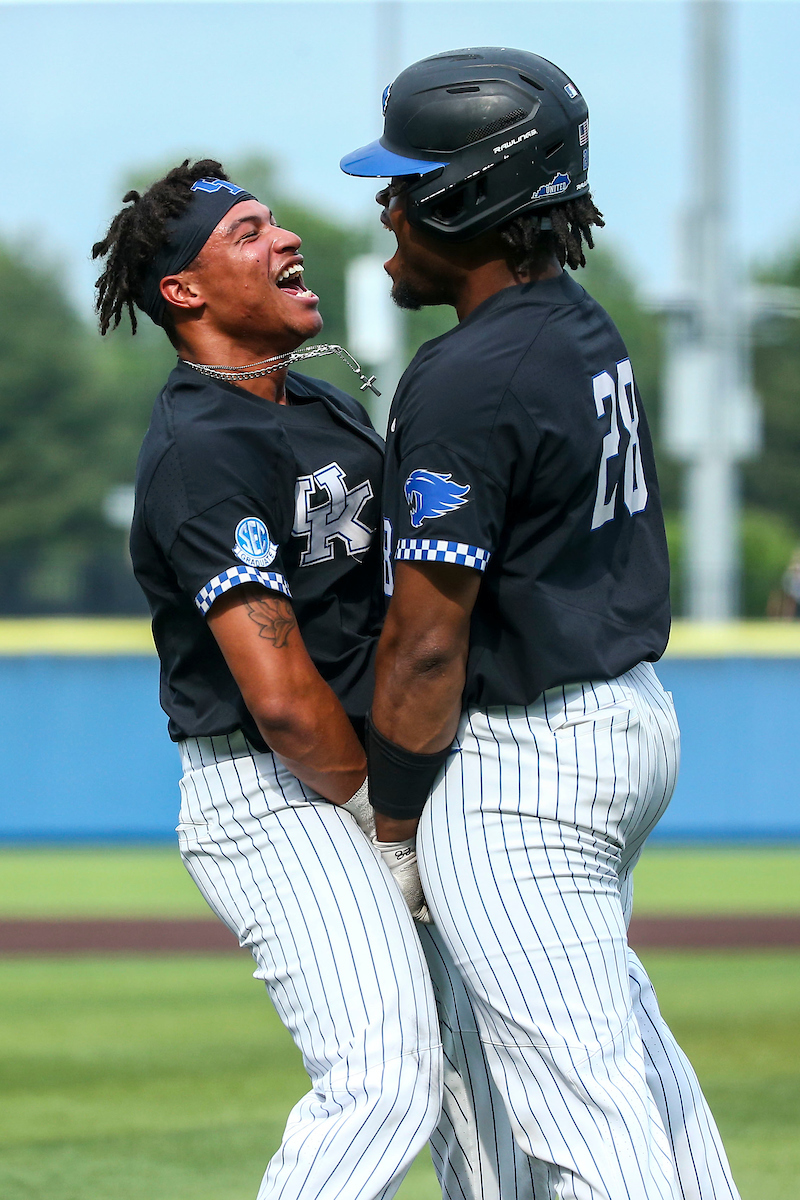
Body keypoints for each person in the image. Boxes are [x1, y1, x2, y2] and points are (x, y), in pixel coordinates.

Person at [342, 47, 742, 1200]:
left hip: (528, 768)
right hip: (621, 723)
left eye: (406, 182)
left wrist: (394, 826)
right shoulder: (577, 325)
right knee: (628, 1063)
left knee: (579, 1106)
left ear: (466, 197)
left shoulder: (469, 373)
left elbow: (426, 640)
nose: (387, 206)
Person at [91, 159, 442, 1200]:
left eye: (274, 222)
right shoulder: (200, 447)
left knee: (483, 1081)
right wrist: (388, 818)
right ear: (184, 291)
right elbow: (283, 702)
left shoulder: (319, 403)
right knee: (381, 1079)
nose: (285, 239)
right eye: (246, 233)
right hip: (277, 794)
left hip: (373, 776)